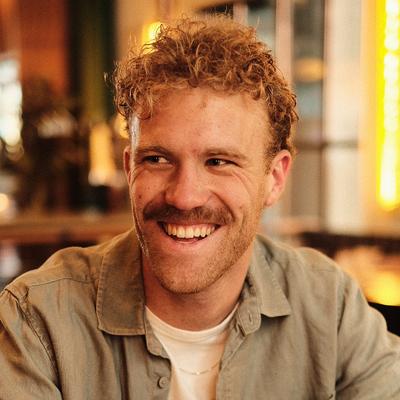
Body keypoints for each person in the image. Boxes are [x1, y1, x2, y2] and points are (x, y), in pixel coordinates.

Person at [0, 15, 399, 400]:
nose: (184, 196)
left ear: (274, 178)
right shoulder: (39, 322)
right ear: (129, 168)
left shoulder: (331, 309)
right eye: (157, 159)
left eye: (219, 162)